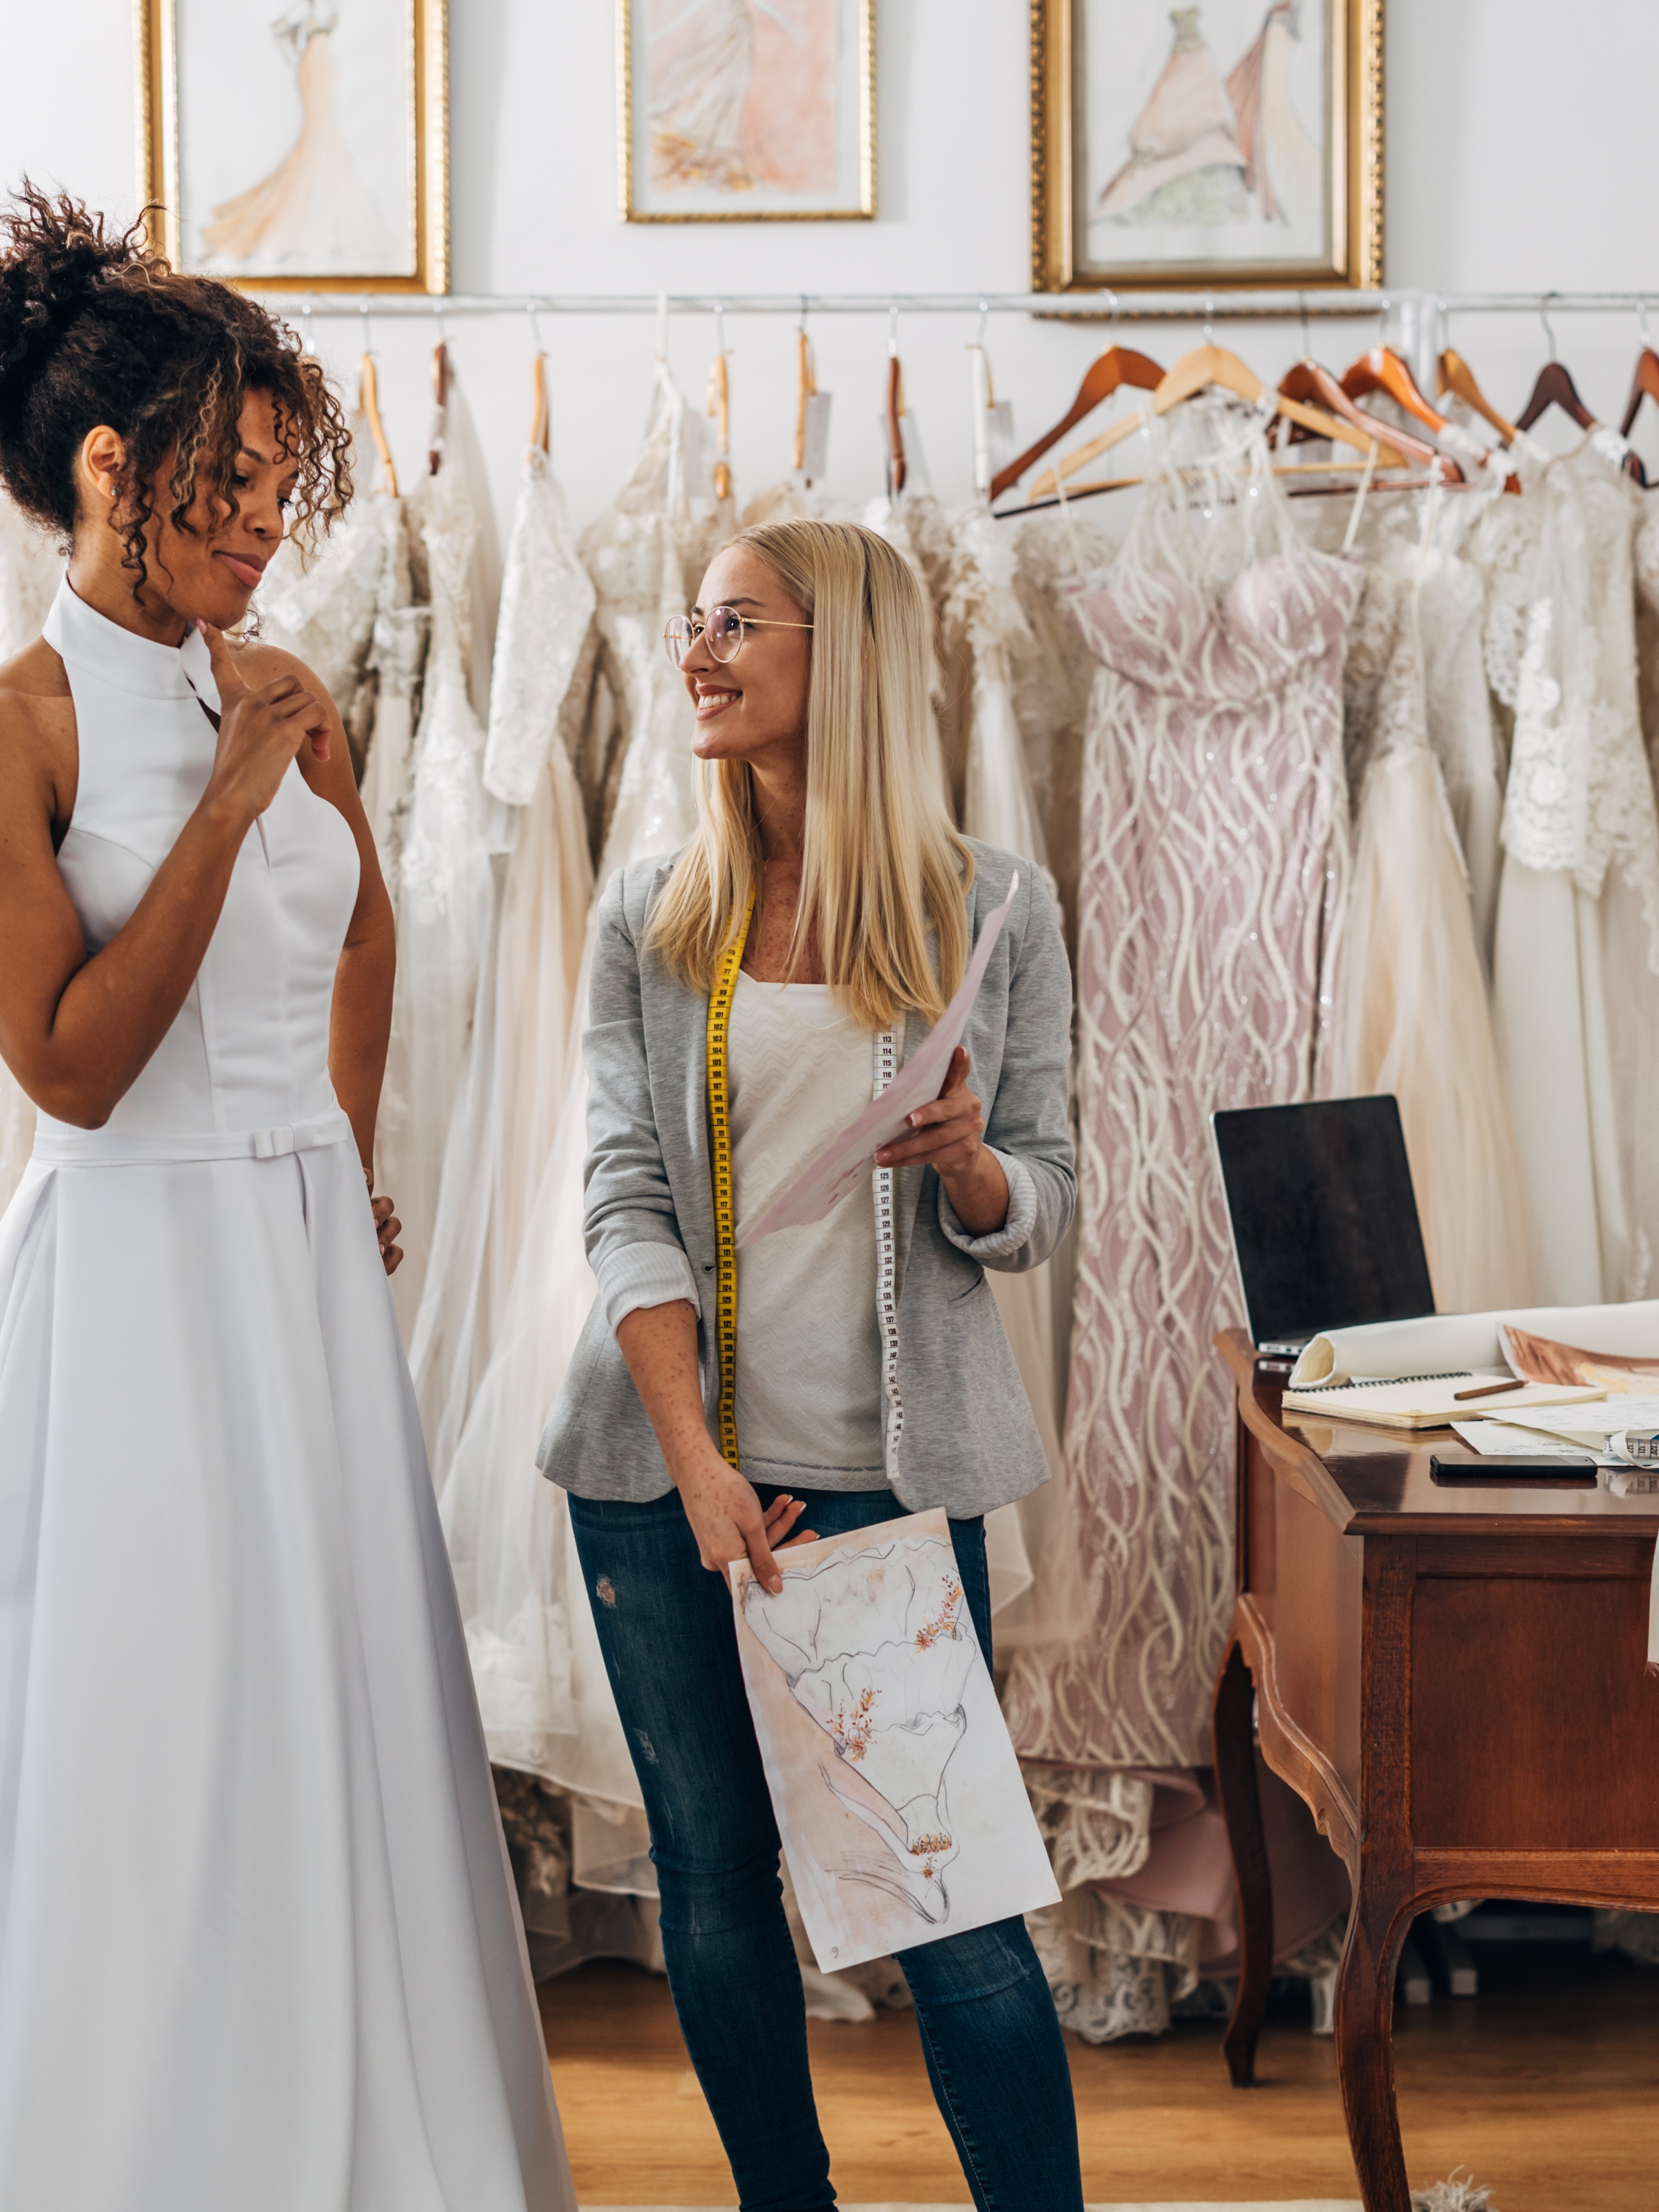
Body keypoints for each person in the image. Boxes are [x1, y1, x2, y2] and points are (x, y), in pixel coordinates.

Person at [0, 187, 572, 2212]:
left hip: (295, 1268)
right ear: (110, 471)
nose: (266, 530)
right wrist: (225, 799)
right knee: (144, 1728)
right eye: (233, 485)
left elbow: (363, 929)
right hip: (131, 1277)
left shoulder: (282, 684)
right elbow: (72, 1063)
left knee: (329, 1719)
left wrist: (340, 1152)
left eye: (284, 490)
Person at [538, 518, 1087, 2211]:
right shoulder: (656, 912)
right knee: (714, 1877)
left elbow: (1044, 1202)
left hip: (883, 1486)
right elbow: (621, 1193)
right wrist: (696, 1468)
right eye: (693, 623)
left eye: (735, 624)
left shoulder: (991, 903)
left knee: (951, 1908)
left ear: (839, 653)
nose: (695, 652)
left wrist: (972, 1166)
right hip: (664, 1479)